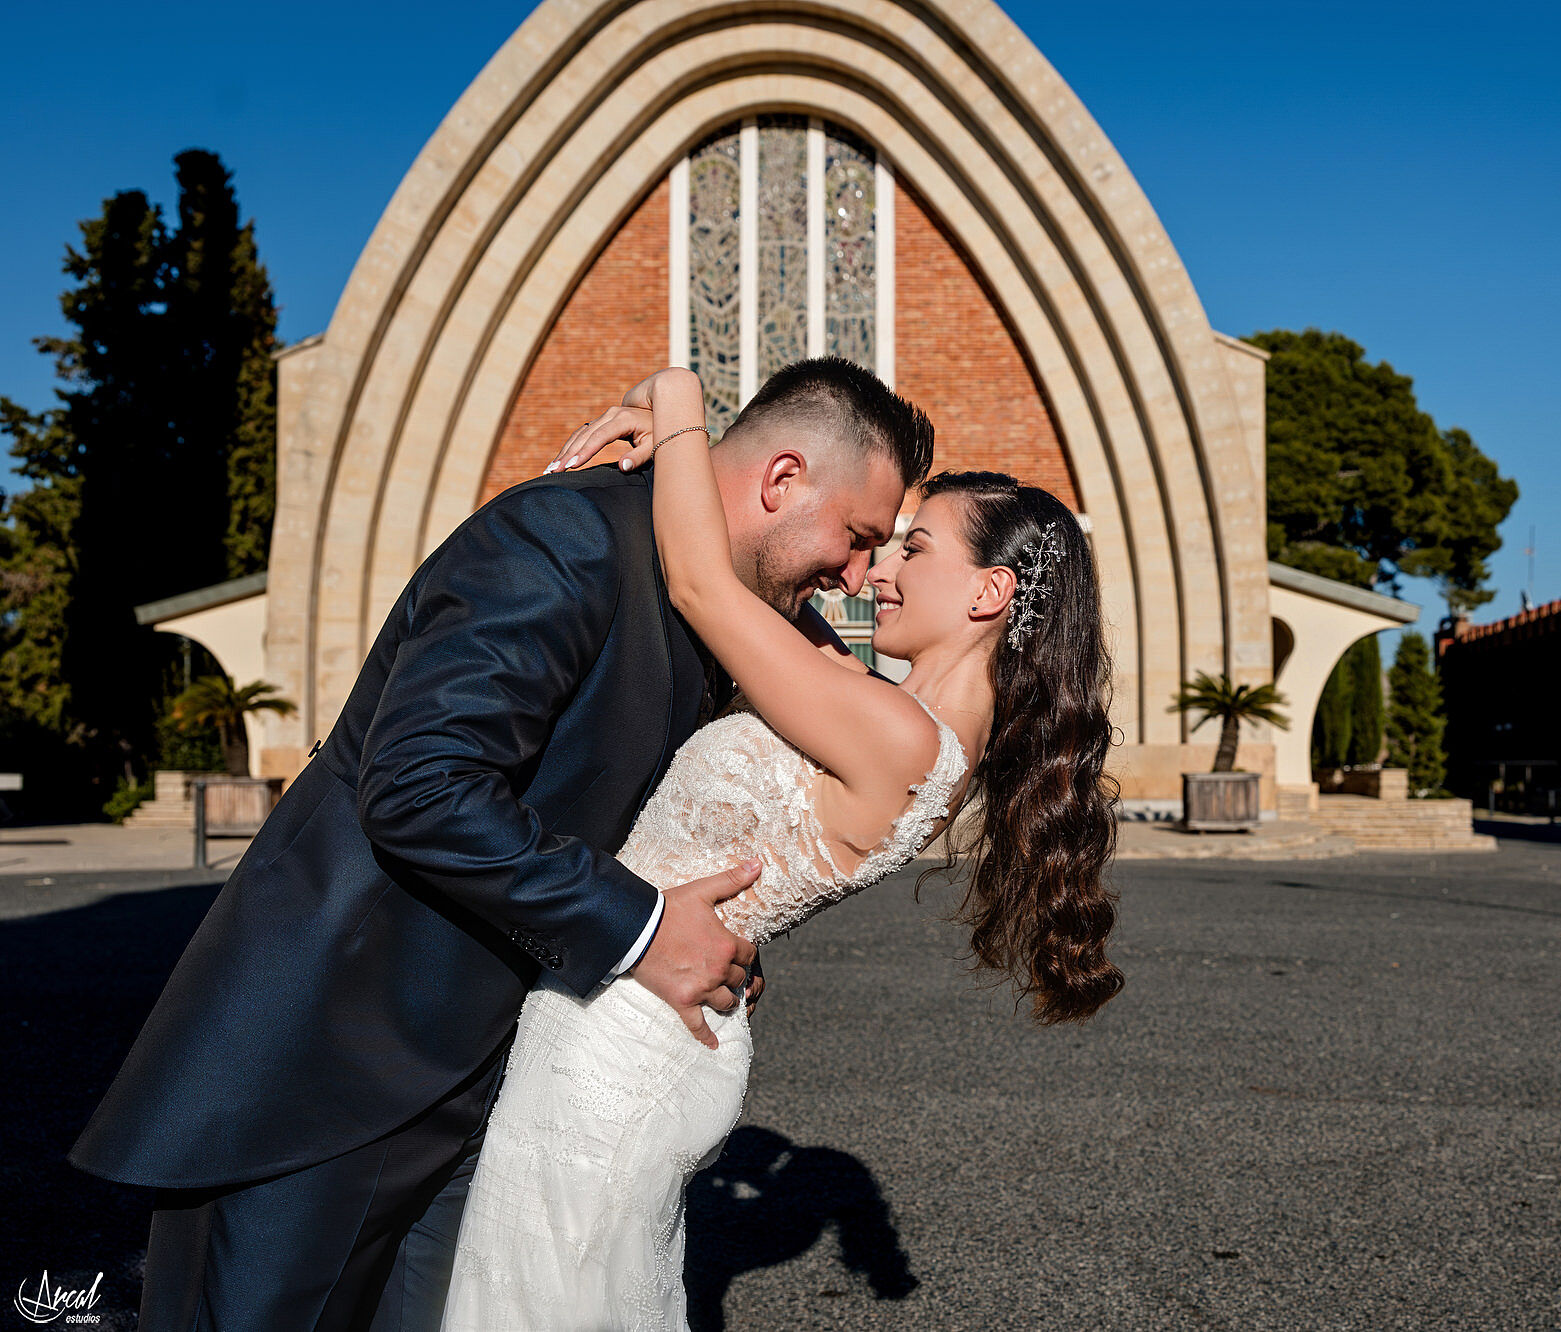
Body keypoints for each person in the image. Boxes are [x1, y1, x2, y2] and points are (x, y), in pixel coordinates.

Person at [67, 356, 924, 1330]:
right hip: (331, 1079)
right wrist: (645, 929)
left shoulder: (714, 606)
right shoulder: (562, 537)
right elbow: (422, 786)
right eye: (856, 539)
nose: (857, 577)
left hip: (485, 1088)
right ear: (780, 479)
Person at [439, 364, 1124, 1327]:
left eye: (911, 549)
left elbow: (701, 584)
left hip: (618, 1041)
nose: (875, 571)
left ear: (989, 593)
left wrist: (674, 400)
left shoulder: (894, 736)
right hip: (641, 1013)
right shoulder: (898, 721)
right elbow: (774, 608)